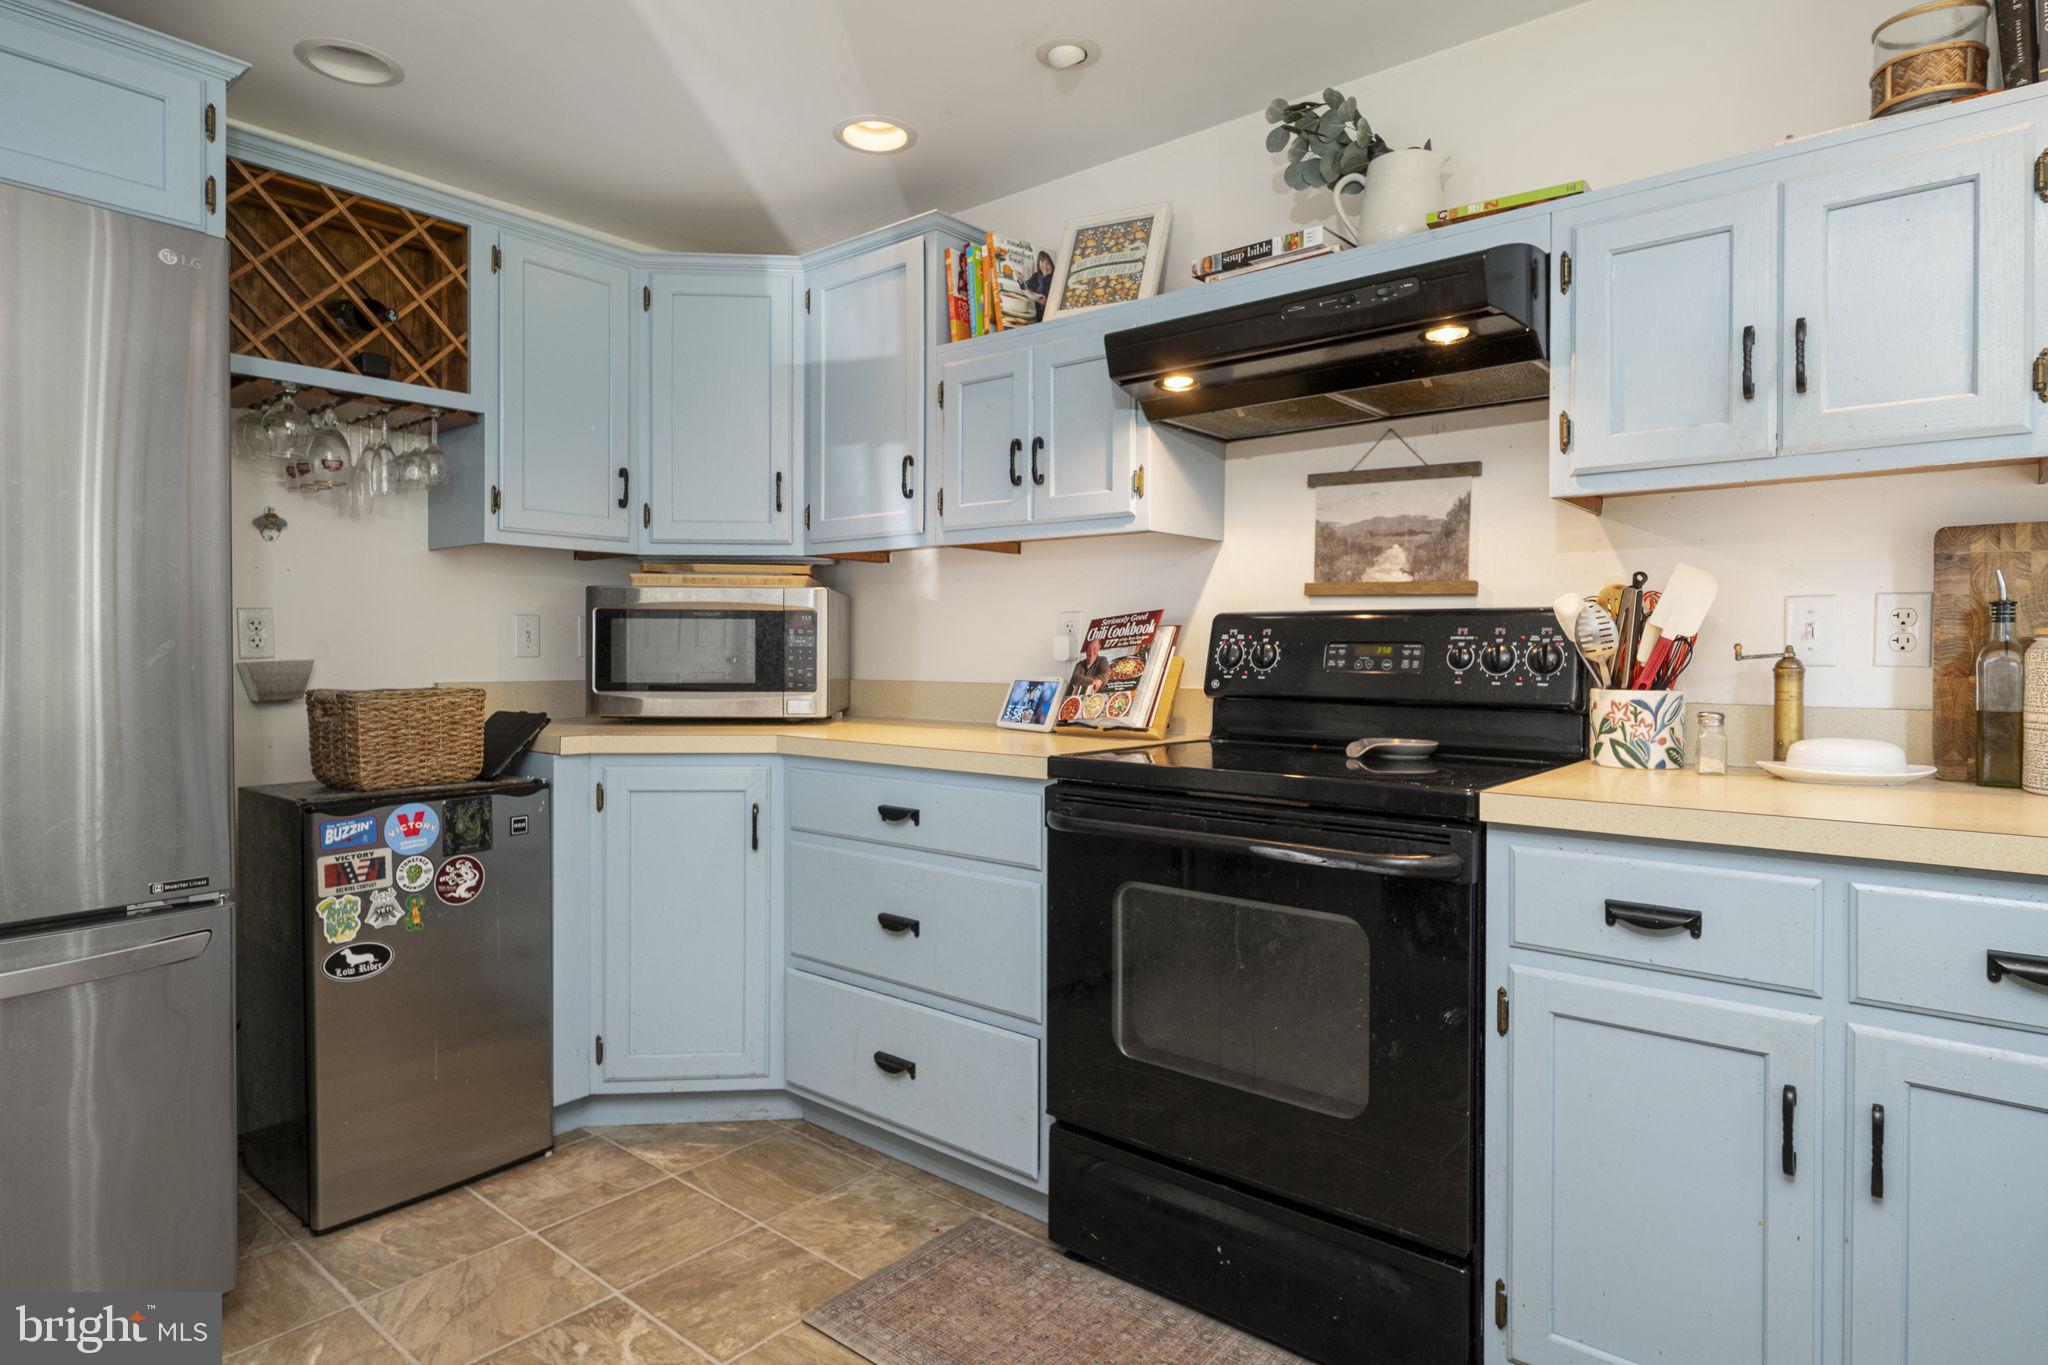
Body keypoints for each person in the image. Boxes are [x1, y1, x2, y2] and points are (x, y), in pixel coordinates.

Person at [1025, 250, 1054, 322]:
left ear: (1052, 265)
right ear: (1039, 264)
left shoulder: (1055, 280)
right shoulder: (1036, 276)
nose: (1045, 266)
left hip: (1047, 317)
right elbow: (1025, 287)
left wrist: (1046, 303)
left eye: (1048, 263)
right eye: (1042, 262)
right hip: (1032, 314)